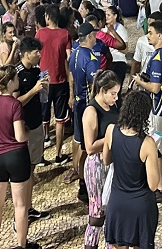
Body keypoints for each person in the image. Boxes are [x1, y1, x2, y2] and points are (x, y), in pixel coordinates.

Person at [0, 65, 37, 249]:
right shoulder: (15, 104)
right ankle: (21, 245)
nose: (18, 81)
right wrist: (28, 131)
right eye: (16, 79)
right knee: (20, 204)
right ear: (10, 82)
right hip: (16, 156)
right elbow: (19, 136)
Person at [103, 90, 159, 249]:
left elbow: (106, 160)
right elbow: (153, 184)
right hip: (140, 206)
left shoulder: (110, 131)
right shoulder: (147, 143)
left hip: (118, 203)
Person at [131, 20, 162, 204]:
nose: (147, 35)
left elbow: (156, 88)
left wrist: (140, 82)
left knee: (155, 146)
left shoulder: (157, 58)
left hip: (156, 109)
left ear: (159, 35)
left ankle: (160, 189)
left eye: (150, 32)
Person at [13, 37, 50, 220]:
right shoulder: (17, 73)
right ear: (27, 54)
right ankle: (21, 211)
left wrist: (44, 88)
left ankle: (28, 207)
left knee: (32, 169)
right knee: (23, 172)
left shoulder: (36, 71)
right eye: (36, 52)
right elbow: (14, 103)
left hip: (37, 123)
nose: (39, 55)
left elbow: (41, 95)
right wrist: (34, 90)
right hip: (24, 128)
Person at [82, 70, 120, 249]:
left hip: (112, 163)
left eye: (117, 94)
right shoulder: (91, 111)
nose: (116, 98)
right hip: (96, 166)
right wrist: (113, 135)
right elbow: (89, 147)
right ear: (103, 90)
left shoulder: (112, 106)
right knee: (97, 213)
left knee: (112, 211)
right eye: (113, 94)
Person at [69, 22, 103, 204]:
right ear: (89, 36)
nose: (96, 38)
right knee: (89, 146)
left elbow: (71, 76)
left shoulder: (74, 53)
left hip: (77, 102)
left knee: (79, 141)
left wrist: (71, 95)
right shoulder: (91, 58)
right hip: (87, 106)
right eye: (94, 35)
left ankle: (81, 180)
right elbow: (95, 86)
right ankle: (87, 184)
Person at [36, 5, 72, 162]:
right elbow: (68, 57)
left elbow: (35, 54)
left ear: (47, 17)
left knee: (43, 116)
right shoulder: (65, 34)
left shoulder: (40, 33)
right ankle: (58, 155)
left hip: (44, 78)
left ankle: (41, 154)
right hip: (60, 80)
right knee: (60, 119)